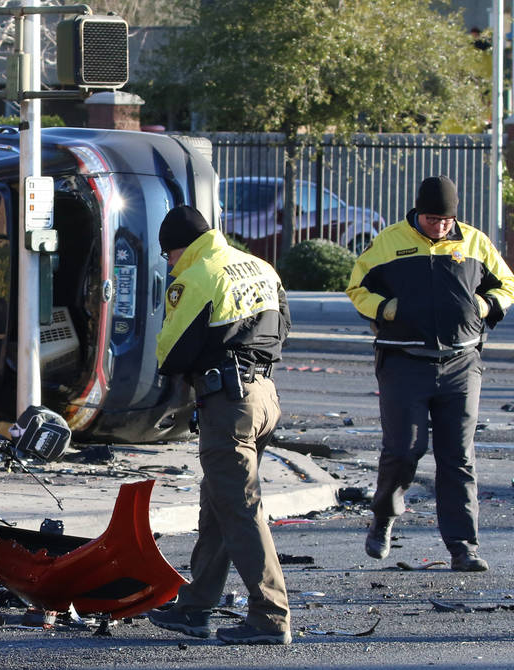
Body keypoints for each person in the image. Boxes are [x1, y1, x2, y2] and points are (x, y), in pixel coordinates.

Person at [346, 175, 514, 572]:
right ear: (417, 212)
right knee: (404, 451)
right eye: (429, 218)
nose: (437, 226)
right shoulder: (389, 241)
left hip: (461, 363)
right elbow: (357, 288)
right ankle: (384, 516)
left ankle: (464, 547)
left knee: (458, 457)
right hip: (404, 360)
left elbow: (507, 284)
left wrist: (486, 306)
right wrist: (386, 310)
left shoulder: (474, 241)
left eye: (444, 219)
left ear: (454, 216)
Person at [146, 205, 292, 645]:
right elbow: (284, 326)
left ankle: (270, 615)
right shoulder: (259, 266)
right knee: (218, 504)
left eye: (168, 255)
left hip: (228, 404)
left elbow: (171, 354)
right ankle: (195, 608)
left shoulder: (199, 275)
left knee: (240, 508)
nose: (169, 264)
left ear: (177, 247)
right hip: (264, 395)